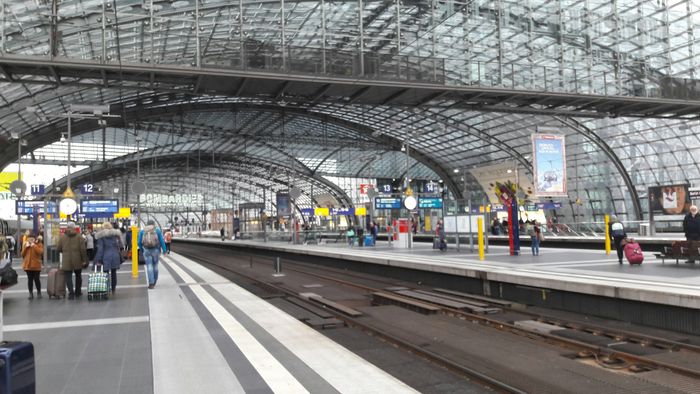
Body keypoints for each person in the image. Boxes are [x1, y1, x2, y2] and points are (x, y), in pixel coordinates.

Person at [57, 222, 88, 299]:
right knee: (78, 276)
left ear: (67, 227)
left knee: (68, 277)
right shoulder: (79, 237)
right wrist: (84, 259)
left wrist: (65, 252)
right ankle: (78, 292)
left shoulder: (62, 237)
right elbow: (83, 250)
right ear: (74, 227)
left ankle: (71, 293)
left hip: (66, 260)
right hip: (77, 259)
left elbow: (58, 248)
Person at [94, 221, 124, 294]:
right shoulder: (116, 235)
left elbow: (100, 249)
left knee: (105, 273)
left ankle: (107, 288)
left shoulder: (101, 236)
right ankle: (113, 289)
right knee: (114, 273)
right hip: (115, 255)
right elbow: (121, 245)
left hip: (106, 256)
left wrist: (98, 259)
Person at [138, 220, 167, 289]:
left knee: (149, 266)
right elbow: (162, 241)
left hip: (146, 250)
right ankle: (155, 280)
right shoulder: (157, 231)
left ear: (147, 224)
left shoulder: (142, 231)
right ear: (153, 224)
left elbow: (139, 242)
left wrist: (142, 250)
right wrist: (164, 250)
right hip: (156, 250)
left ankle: (151, 283)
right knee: (155, 266)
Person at [21, 235, 43, 299]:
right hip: (28, 265)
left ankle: (39, 292)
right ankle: (30, 293)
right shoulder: (26, 245)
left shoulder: (39, 244)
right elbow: (22, 254)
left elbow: (40, 252)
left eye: (32, 239)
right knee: (30, 280)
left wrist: (34, 245)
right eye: (29, 239)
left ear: (34, 239)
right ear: (27, 239)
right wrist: (26, 247)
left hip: (36, 265)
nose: (30, 240)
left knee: (37, 279)